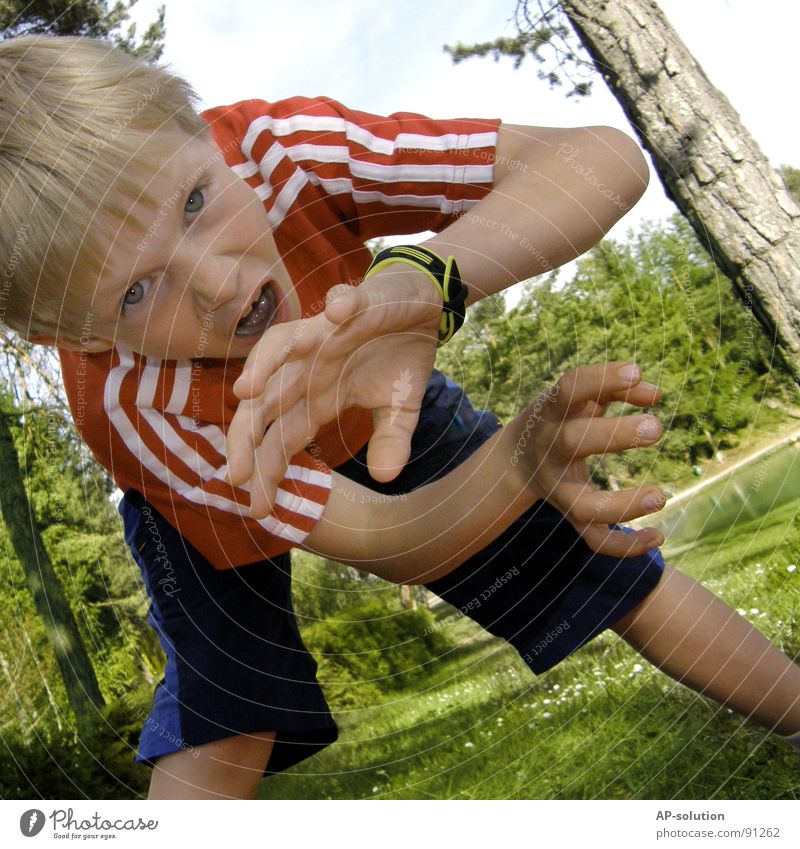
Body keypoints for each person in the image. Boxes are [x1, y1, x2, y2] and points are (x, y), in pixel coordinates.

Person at [1, 36, 798, 800]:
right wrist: (514, 465)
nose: (216, 284)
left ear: (201, 133)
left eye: (197, 201)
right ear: (75, 335)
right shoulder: (142, 409)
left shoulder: (287, 152)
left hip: (377, 398)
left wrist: (427, 277)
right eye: (136, 293)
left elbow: (601, 159)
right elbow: (390, 539)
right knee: (230, 720)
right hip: (213, 473)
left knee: (602, 568)